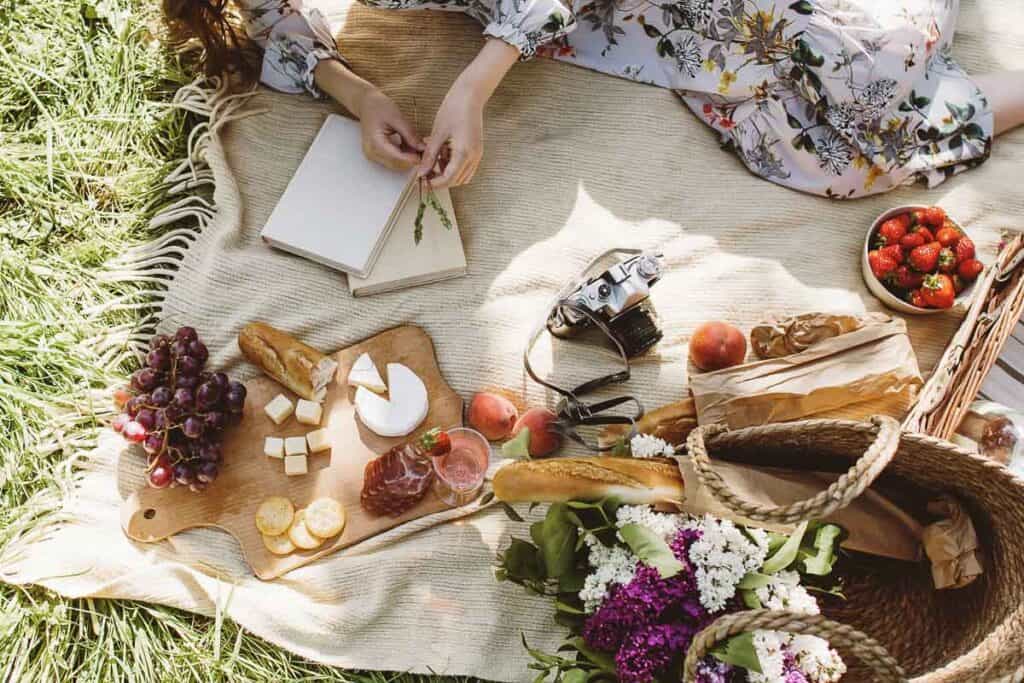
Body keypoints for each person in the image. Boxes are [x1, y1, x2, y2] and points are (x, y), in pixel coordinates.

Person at [164, 0, 1023, 197]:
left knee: (882, 63)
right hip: (617, 24)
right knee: (819, 158)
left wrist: (474, 84)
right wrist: (354, 90)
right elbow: (267, 14)